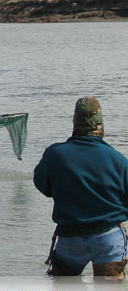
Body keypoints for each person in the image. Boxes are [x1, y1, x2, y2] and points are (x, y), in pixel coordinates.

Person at [34, 97, 128, 279]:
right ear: (101, 124)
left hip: (70, 238)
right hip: (108, 237)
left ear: (74, 121)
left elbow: (42, 186)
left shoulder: (56, 155)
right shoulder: (118, 160)